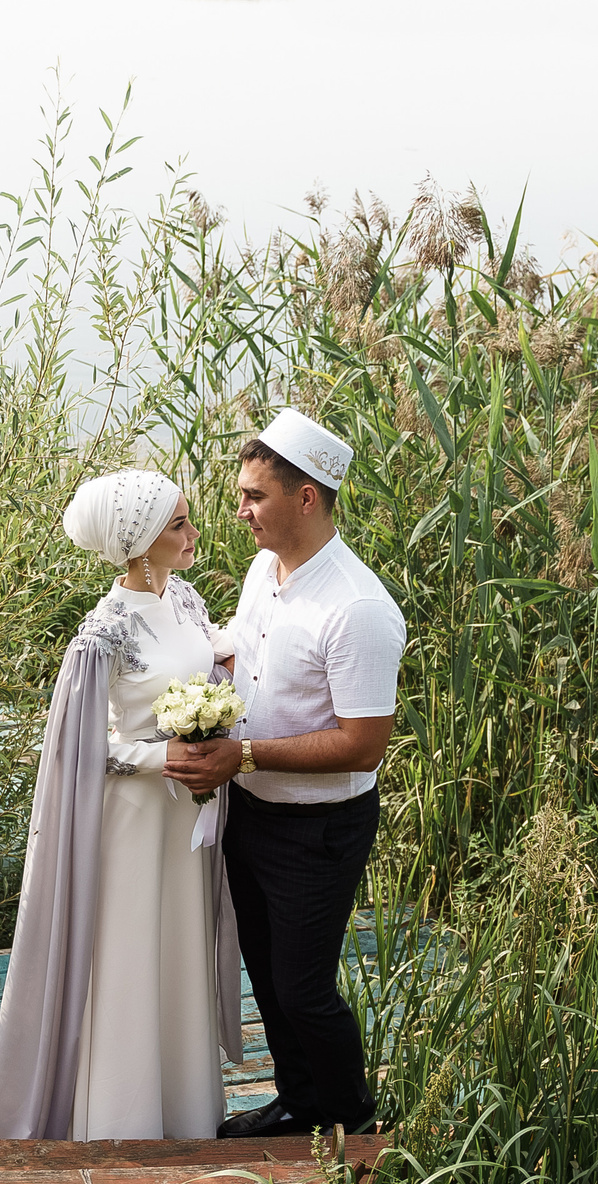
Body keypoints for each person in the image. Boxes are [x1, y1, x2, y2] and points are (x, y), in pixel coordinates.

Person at [0, 471, 246, 1142]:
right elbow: (74, 749)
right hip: (136, 822)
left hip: (185, 821)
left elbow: (209, 651)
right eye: (179, 526)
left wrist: (221, 690)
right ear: (141, 544)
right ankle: (125, 1121)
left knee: (180, 957)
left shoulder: (187, 598)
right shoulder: (101, 636)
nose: (195, 534)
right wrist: (155, 756)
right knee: (133, 957)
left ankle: (188, 1114)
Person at [167, 410, 404, 1140]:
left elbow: (363, 745)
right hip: (254, 812)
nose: (239, 511)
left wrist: (246, 754)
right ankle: (301, 1103)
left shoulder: (359, 607)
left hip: (318, 828)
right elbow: (246, 653)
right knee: (267, 979)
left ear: (307, 498)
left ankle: (354, 1122)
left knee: (303, 989)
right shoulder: (263, 571)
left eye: (253, 497)